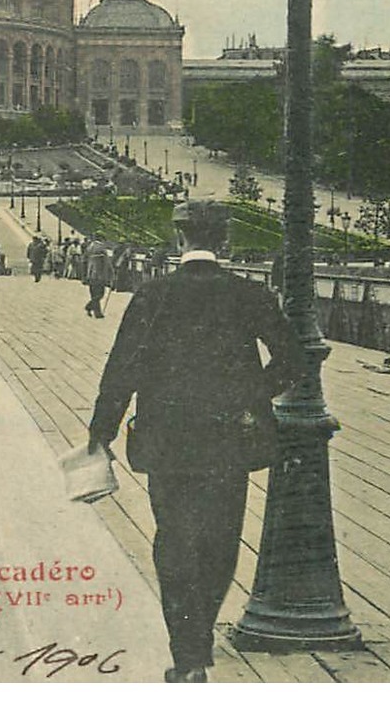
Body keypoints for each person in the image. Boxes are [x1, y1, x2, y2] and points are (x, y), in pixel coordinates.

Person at [86, 200, 309, 683]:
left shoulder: (153, 294)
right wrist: (253, 393)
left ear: (179, 238)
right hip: (230, 437)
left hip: (166, 437)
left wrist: (100, 434)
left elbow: (121, 369)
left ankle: (188, 655)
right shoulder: (248, 294)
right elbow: (294, 357)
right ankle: (200, 632)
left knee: (173, 540)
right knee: (221, 538)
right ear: (224, 241)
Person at [84, 237, 112, 318]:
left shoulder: (90, 247)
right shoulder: (102, 248)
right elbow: (106, 262)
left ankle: (97, 313)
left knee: (93, 293)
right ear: (102, 240)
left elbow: (84, 260)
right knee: (100, 294)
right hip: (99, 275)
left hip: (90, 274)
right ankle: (89, 306)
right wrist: (111, 272)